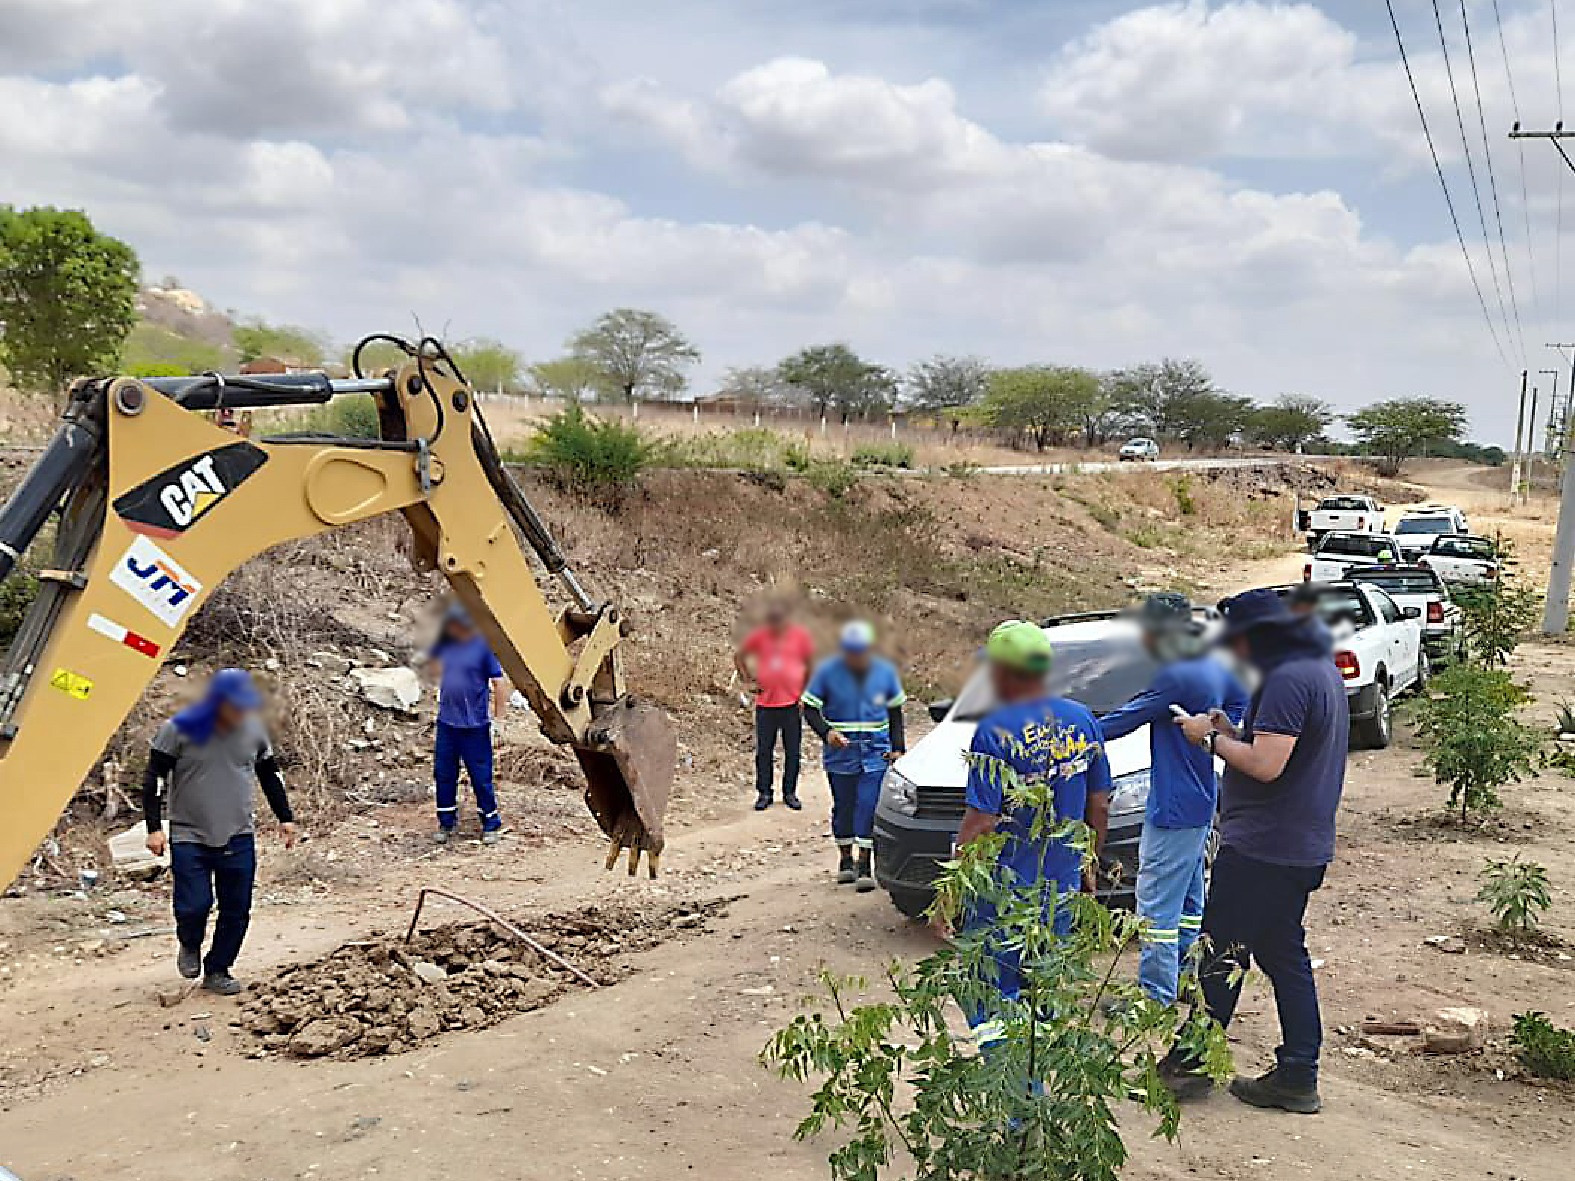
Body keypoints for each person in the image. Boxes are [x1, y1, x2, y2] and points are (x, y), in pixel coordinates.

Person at [1170, 588, 1349, 1114]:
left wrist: (1207, 739)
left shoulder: (1287, 677)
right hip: (1296, 844)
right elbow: (1276, 747)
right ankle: (1296, 1072)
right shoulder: (1316, 668)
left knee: (1220, 950)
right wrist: (1231, 730)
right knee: (1280, 953)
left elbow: (1268, 765)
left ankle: (1193, 1063)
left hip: (1266, 848)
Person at [952, 620, 1111, 1049]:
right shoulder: (1082, 720)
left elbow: (982, 821)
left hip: (1002, 891)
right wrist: (1088, 860)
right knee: (1043, 993)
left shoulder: (995, 731)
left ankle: (1018, 1103)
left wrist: (948, 893)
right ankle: (1039, 1094)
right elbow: (1099, 803)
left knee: (988, 994)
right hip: (1058, 886)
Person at [1097, 594, 1248, 1009]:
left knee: (1156, 904)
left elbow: (1122, 720)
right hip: (1201, 800)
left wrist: (1070, 728)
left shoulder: (1176, 675)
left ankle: (1154, 995)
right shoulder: (1214, 663)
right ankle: (1184, 978)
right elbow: (1239, 708)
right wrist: (1218, 724)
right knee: (1187, 899)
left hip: (1175, 805)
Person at [142, 668, 297, 995]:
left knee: (237, 908)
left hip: (238, 833)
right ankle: (190, 942)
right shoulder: (179, 729)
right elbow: (154, 777)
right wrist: (154, 827)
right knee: (194, 904)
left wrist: (285, 817)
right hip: (189, 833)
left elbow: (270, 774)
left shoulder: (254, 731)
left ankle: (218, 969)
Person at [801, 620, 906, 890]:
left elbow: (895, 712)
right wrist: (827, 733)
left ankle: (864, 864)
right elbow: (810, 708)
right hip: (842, 751)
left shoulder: (884, 673)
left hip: (875, 750)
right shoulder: (827, 673)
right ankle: (845, 859)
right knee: (844, 806)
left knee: (868, 805)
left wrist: (898, 747)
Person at [430, 603, 510, 845]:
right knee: (444, 775)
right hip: (447, 725)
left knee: (480, 777)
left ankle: (490, 824)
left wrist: (499, 719)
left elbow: (499, 684)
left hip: (474, 727)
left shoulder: (483, 650)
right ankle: (446, 823)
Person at [734, 600, 815, 811]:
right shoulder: (760, 636)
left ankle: (790, 792)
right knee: (764, 752)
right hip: (766, 704)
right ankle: (764, 793)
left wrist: (805, 693)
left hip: (792, 703)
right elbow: (739, 655)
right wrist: (748, 680)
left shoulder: (799, 636)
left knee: (793, 752)